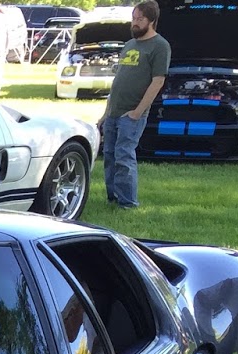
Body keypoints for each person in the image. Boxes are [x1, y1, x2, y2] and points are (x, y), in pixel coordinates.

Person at [96, 1, 169, 208]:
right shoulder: (129, 45)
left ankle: (128, 202)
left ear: (152, 21)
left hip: (132, 114)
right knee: (109, 155)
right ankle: (113, 198)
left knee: (124, 156)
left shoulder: (160, 46)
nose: (135, 23)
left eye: (140, 19)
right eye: (133, 18)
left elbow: (158, 81)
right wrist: (106, 112)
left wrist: (138, 112)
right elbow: (118, 81)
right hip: (114, 112)